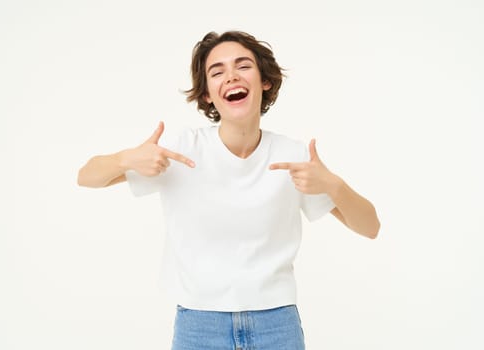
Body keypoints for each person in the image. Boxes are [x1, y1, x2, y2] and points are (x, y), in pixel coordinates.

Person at [78, 30, 380, 350]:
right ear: (207, 94)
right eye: (217, 71)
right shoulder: (183, 148)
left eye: (243, 66)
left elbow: (370, 227)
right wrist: (126, 158)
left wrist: (333, 184)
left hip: (277, 324)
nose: (231, 76)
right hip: (200, 325)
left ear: (265, 80)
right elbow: (86, 177)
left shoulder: (293, 156)